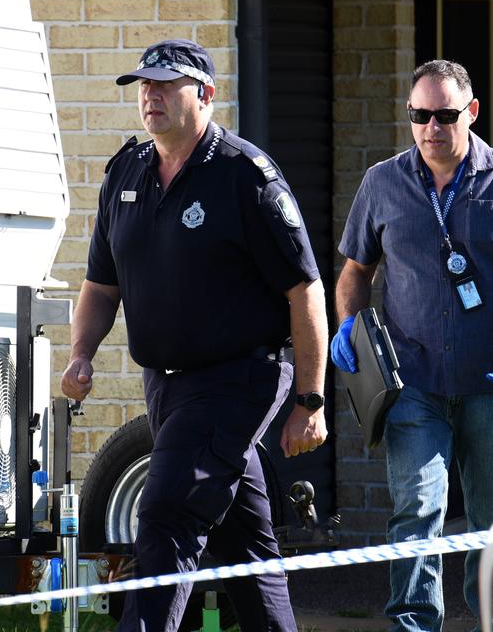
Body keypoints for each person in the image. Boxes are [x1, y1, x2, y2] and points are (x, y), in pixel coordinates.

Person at [61, 39, 329, 632]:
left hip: (238, 379)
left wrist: (309, 400)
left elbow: (305, 291)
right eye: (143, 86)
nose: (149, 96)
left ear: (205, 95)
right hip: (165, 386)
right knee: (248, 552)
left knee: (164, 519)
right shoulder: (125, 173)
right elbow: (101, 286)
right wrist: (81, 354)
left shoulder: (246, 176)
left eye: (165, 84)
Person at [331, 59, 493, 632]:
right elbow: (355, 271)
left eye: (444, 115)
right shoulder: (382, 182)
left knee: (492, 517)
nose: (431, 127)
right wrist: (351, 326)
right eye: (419, 115)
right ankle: (414, 623)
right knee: (416, 508)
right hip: (413, 381)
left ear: (472, 112)